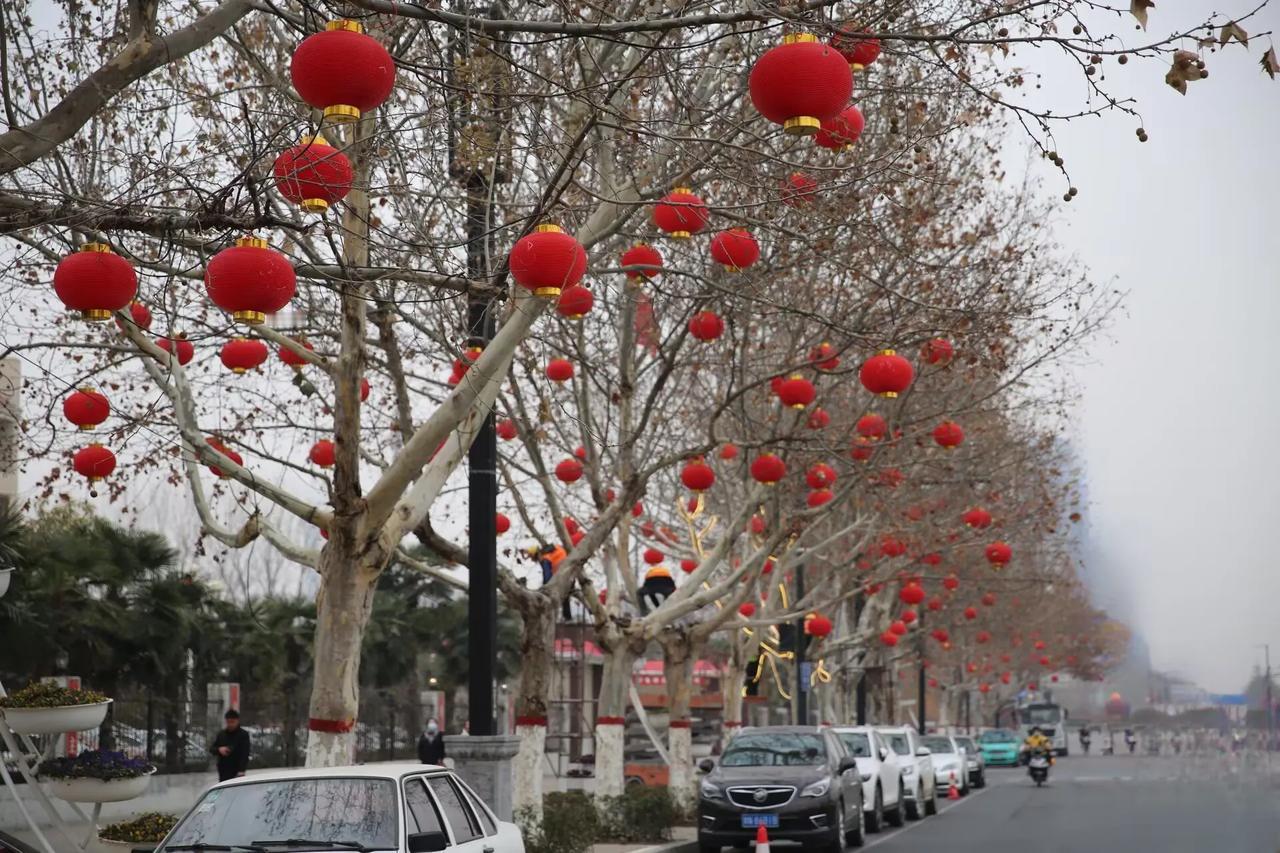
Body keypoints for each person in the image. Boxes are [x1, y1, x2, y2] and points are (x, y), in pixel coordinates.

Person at [209, 709, 250, 783]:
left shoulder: (243, 735)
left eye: (232, 722)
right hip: (223, 770)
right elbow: (212, 749)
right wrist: (219, 749)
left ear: (237, 721)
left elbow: (245, 753)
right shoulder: (221, 734)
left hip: (237, 771)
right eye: (228, 722)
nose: (230, 724)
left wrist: (241, 770)